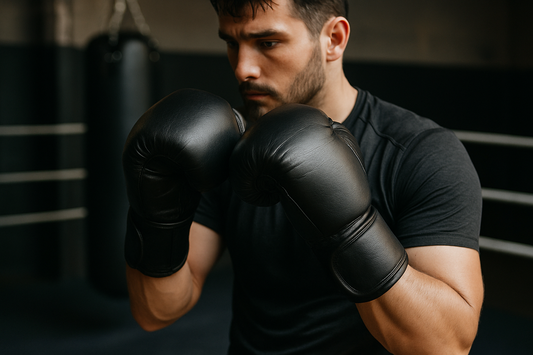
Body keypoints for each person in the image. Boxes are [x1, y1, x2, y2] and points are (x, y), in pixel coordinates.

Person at [123, 0, 484, 354]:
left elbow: (447, 345)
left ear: (334, 39)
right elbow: (156, 312)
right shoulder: (229, 150)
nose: (243, 68)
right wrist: (155, 212)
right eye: (231, 43)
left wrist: (351, 229)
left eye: (267, 43)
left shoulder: (419, 153)